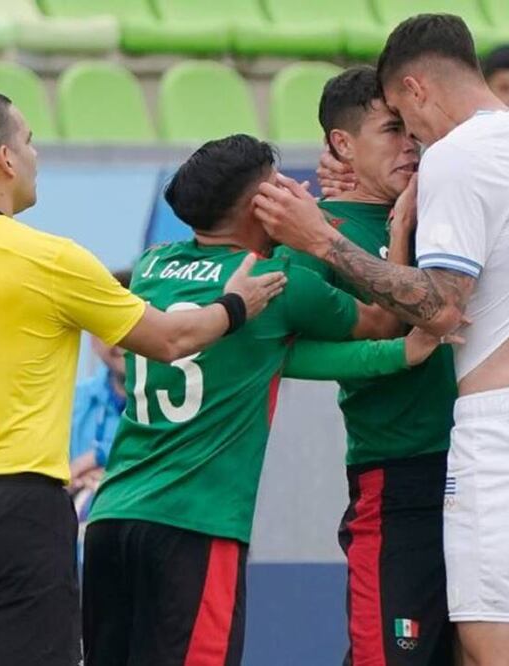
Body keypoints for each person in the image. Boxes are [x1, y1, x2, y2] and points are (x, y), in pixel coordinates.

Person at [0, 92, 284, 666]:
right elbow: (171, 340)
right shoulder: (51, 259)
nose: (35, 154)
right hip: (16, 514)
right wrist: (236, 304)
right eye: (27, 141)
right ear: (4, 158)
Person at [254, 14, 509, 665]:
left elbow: (437, 310)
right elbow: (280, 348)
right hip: (433, 459)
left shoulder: (444, 170)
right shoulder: (352, 207)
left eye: (407, 119)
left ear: (417, 88)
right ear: (340, 147)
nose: (412, 140)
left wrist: (332, 241)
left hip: (499, 439)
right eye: (392, 132)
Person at [81, 134, 410, 666]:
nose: (292, 189)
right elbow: (385, 320)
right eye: (278, 183)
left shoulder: (152, 265)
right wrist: (389, 229)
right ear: (259, 201)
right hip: (195, 526)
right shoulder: (277, 284)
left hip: (112, 519)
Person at [69, 268, 133, 492]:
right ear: (91, 336)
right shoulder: (68, 405)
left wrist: (101, 458)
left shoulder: (184, 404)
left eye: (137, 328)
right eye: (112, 328)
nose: (125, 342)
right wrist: (72, 485)